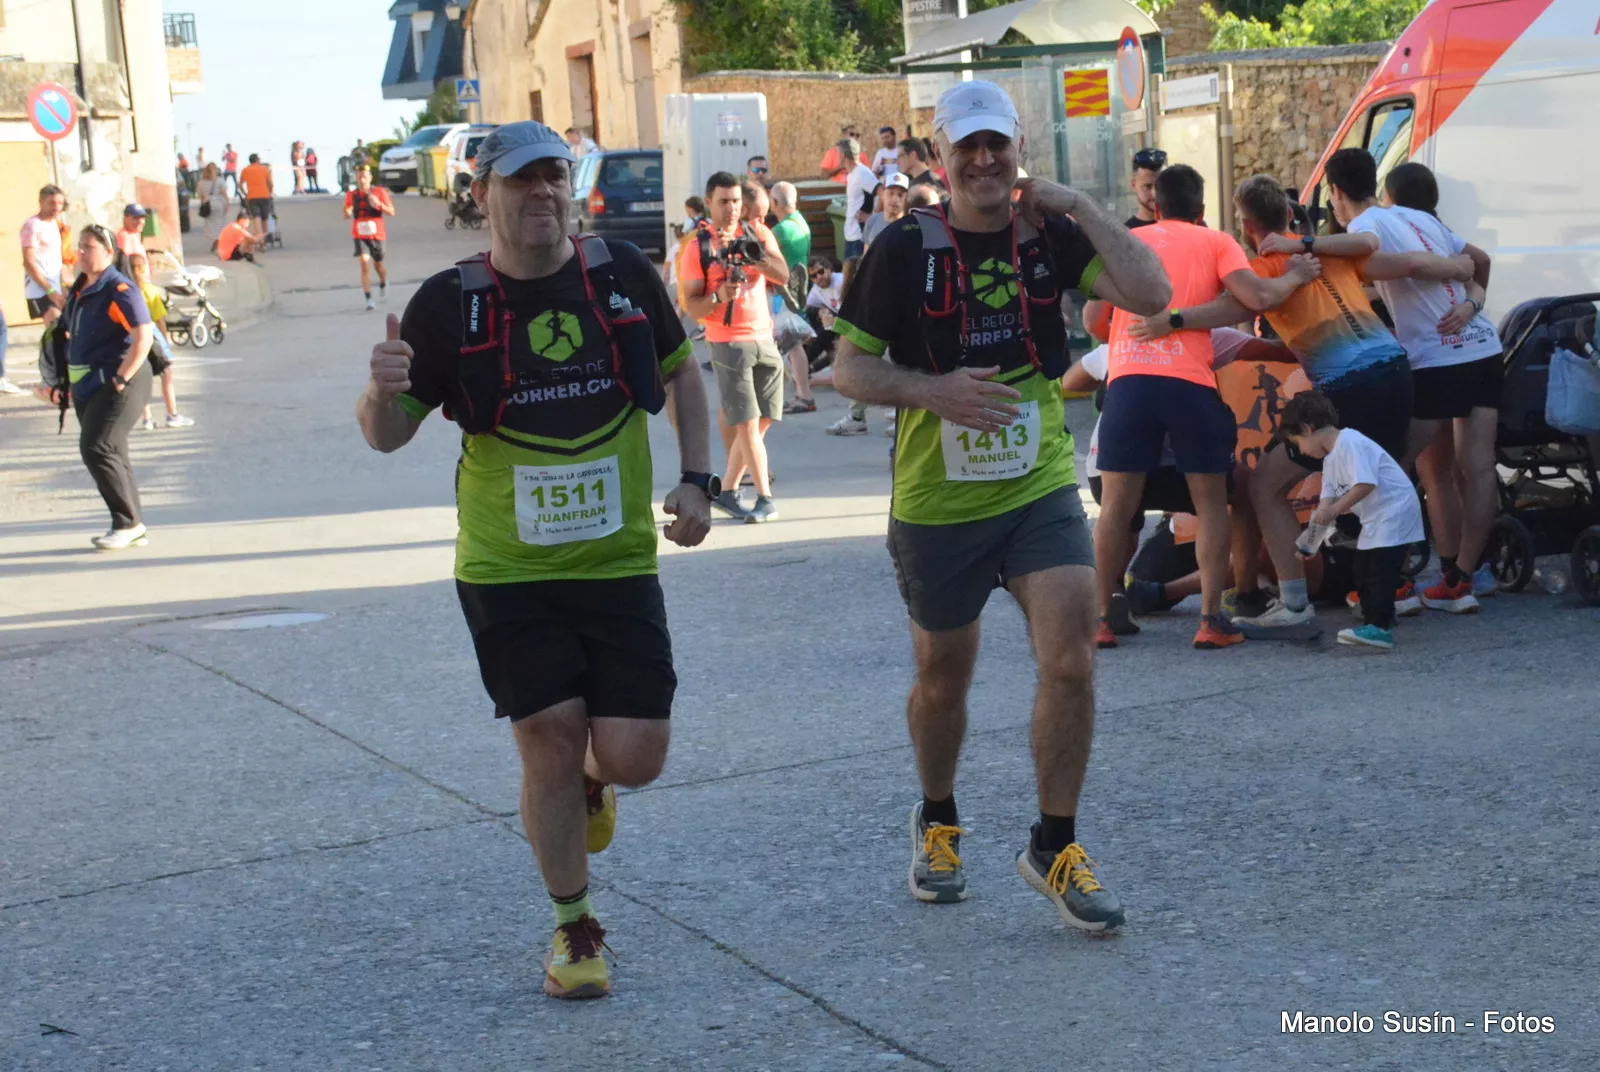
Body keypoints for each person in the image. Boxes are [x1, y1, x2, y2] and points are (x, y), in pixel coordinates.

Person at [356, 120, 714, 1002]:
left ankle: (597, 781)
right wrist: (383, 388)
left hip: (618, 561)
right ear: (483, 194)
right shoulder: (450, 304)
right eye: (521, 180)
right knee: (547, 738)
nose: (543, 193)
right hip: (507, 570)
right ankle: (572, 925)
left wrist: (699, 478)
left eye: (556, 176)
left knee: (634, 755)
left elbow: (684, 375)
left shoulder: (622, 277)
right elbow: (388, 438)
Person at [830, 80, 1169, 929]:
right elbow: (848, 370)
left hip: (1037, 484)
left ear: (1017, 150)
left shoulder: (1049, 235)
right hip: (938, 503)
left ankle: (1055, 843)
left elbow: (1152, 293)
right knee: (944, 678)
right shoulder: (903, 248)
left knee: (1071, 656)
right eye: (966, 148)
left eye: (997, 145)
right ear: (940, 158)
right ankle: (937, 817)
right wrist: (931, 390)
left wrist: (1086, 206)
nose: (984, 161)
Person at [1127, 174, 1473, 631]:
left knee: (1263, 485)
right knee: (1376, 481)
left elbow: (1232, 309)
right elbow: (1406, 263)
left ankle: (1294, 604)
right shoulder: (1330, 253)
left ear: (1248, 226)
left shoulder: (1265, 267)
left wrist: (1170, 320)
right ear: (1291, 215)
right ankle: (1393, 589)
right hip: (1395, 371)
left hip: (1348, 385)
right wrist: (1466, 273)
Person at [1088, 164, 1321, 650]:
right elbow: (1254, 298)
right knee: (1211, 502)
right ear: (1200, 210)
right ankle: (1211, 619)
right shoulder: (1216, 241)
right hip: (1188, 384)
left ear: (1155, 205)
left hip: (1129, 380)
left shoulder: (1126, 242)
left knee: (1116, 506)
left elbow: (1094, 318)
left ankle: (1100, 619)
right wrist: (1296, 275)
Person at [1269, 153, 1497, 612]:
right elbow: (1479, 261)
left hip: (1436, 358)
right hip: (1485, 348)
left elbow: (1381, 256)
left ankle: (1392, 583)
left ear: (1333, 193)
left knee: (1389, 470)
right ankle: (1460, 577)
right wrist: (1471, 302)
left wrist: (1302, 246)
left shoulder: (1361, 230)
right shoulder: (1414, 215)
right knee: (1475, 469)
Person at [678, 172, 789, 522]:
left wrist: (756, 258)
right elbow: (690, 305)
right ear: (708, 202)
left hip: (764, 337)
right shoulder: (697, 247)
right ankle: (764, 497)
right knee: (747, 422)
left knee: (765, 419)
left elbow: (783, 275)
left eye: (737, 201)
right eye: (724, 201)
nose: (731, 208)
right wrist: (718, 296)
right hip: (727, 342)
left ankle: (726, 490)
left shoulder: (757, 232)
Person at [1277, 391, 1424, 649]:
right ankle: (1373, 623)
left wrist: (1333, 512)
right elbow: (1327, 499)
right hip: (1377, 517)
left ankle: (1380, 627)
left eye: (1297, 442)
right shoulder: (1331, 458)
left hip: (1394, 511)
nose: (1301, 450)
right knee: (1363, 569)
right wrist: (1309, 542)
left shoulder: (1350, 442)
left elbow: (1365, 484)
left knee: (1379, 570)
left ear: (1307, 428)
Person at [47, 224, 155, 550]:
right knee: (112, 450)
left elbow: (143, 337)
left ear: (109, 252)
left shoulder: (119, 289)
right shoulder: (80, 290)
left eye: (88, 247)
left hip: (123, 379)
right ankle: (132, 523)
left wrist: (121, 379)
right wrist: (59, 383)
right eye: (79, 246)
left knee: (97, 446)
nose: (80, 252)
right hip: (87, 384)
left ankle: (127, 523)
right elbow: (67, 335)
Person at [126, 252, 194, 430]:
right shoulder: (150, 291)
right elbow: (159, 320)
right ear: (143, 269)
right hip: (152, 335)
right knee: (166, 375)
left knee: (143, 378)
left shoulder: (125, 291)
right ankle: (172, 414)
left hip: (134, 338)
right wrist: (166, 339)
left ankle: (147, 418)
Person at [770, 181, 816, 411]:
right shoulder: (801, 223)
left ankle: (804, 395)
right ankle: (802, 393)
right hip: (797, 292)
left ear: (775, 203)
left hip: (783, 294)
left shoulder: (780, 230)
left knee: (792, 345)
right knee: (792, 345)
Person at [345, 166, 396, 310]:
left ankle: (383, 281)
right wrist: (347, 212)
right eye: (359, 177)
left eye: (364, 177)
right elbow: (345, 212)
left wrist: (379, 204)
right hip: (360, 234)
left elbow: (392, 212)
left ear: (370, 178)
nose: (361, 180)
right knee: (364, 264)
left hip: (377, 234)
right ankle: (368, 299)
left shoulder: (379, 192)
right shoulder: (351, 194)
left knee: (378, 266)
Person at [22, 184, 68, 327]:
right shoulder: (33, 225)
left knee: (66, 331)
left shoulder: (55, 224)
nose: (57, 207)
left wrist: (63, 286)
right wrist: (50, 290)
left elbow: (57, 259)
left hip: (56, 287)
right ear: (41, 202)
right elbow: (29, 262)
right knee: (57, 332)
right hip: (40, 290)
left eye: (60, 203)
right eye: (52, 203)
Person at [839, 139, 876, 259]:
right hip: (851, 236)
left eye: (838, 153)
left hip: (859, 237)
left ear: (843, 155)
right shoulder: (852, 174)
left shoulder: (862, 173)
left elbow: (882, 193)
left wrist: (871, 217)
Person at [862, 172, 910, 248]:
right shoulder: (872, 221)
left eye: (900, 195)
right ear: (883, 195)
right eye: (891, 193)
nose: (895, 199)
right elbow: (866, 255)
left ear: (906, 199)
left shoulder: (910, 227)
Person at [194, 163, 230, 252]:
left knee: (211, 226)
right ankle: (218, 241)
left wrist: (203, 205)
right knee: (220, 224)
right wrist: (227, 204)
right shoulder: (220, 180)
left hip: (209, 204)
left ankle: (216, 241)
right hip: (219, 204)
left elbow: (201, 196)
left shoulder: (201, 182)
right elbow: (224, 193)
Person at [1127, 147, 1166, 228]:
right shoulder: (1126, 233)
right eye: (1148, 186)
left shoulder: (1185, 227)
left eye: (1160, 185)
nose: (1155, 193)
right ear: (1134, 185)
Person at [239, 153, 274, 241]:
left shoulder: (245, 170)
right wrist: (270, 192)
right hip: (265, 196)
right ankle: (265, 238)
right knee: (265, 218)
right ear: (257, 160)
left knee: (256, 217)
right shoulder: (263, 169)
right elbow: (270, 183)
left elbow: (240, 185)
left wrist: (246, 194)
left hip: (252, 197)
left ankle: (259, 237)